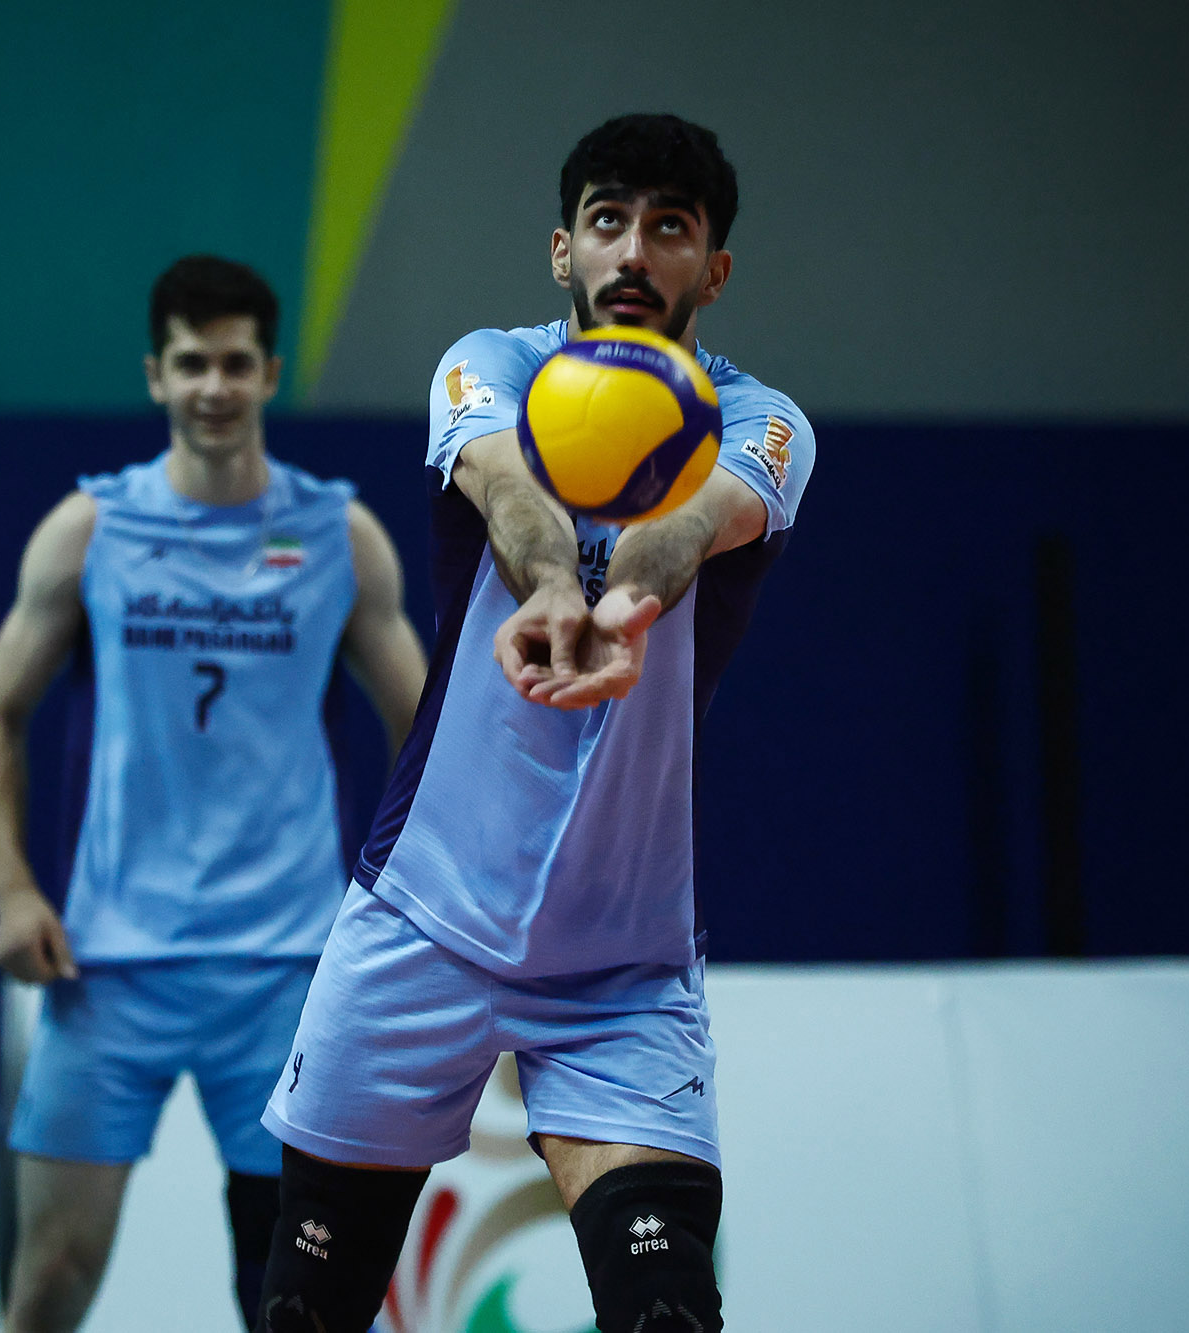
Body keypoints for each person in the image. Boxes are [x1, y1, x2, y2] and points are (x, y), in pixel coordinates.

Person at [252, 114, 818, 1333]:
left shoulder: (763, 421)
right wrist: (554, 587)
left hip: (622, 960)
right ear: (562, 248)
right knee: (303, 1310)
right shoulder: (486, 366)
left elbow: (693, 522)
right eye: (607, 221)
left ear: (713, 268)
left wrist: (625, 602)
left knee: (665, 1309)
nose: (634, 251)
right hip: (418, 921)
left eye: (669, 228)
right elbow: (504, 482)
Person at [0, 254, 429, 1333]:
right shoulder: (89, 530)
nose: (212, 386)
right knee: (49, 1278)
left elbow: (425, 732)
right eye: (190, 364)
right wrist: (12, 890)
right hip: (105, 968)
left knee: (289, 1296)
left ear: (269, 372)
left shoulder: (339, 537)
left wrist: (407, 908)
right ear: (155, 375)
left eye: (233, 363)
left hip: (284, 972)